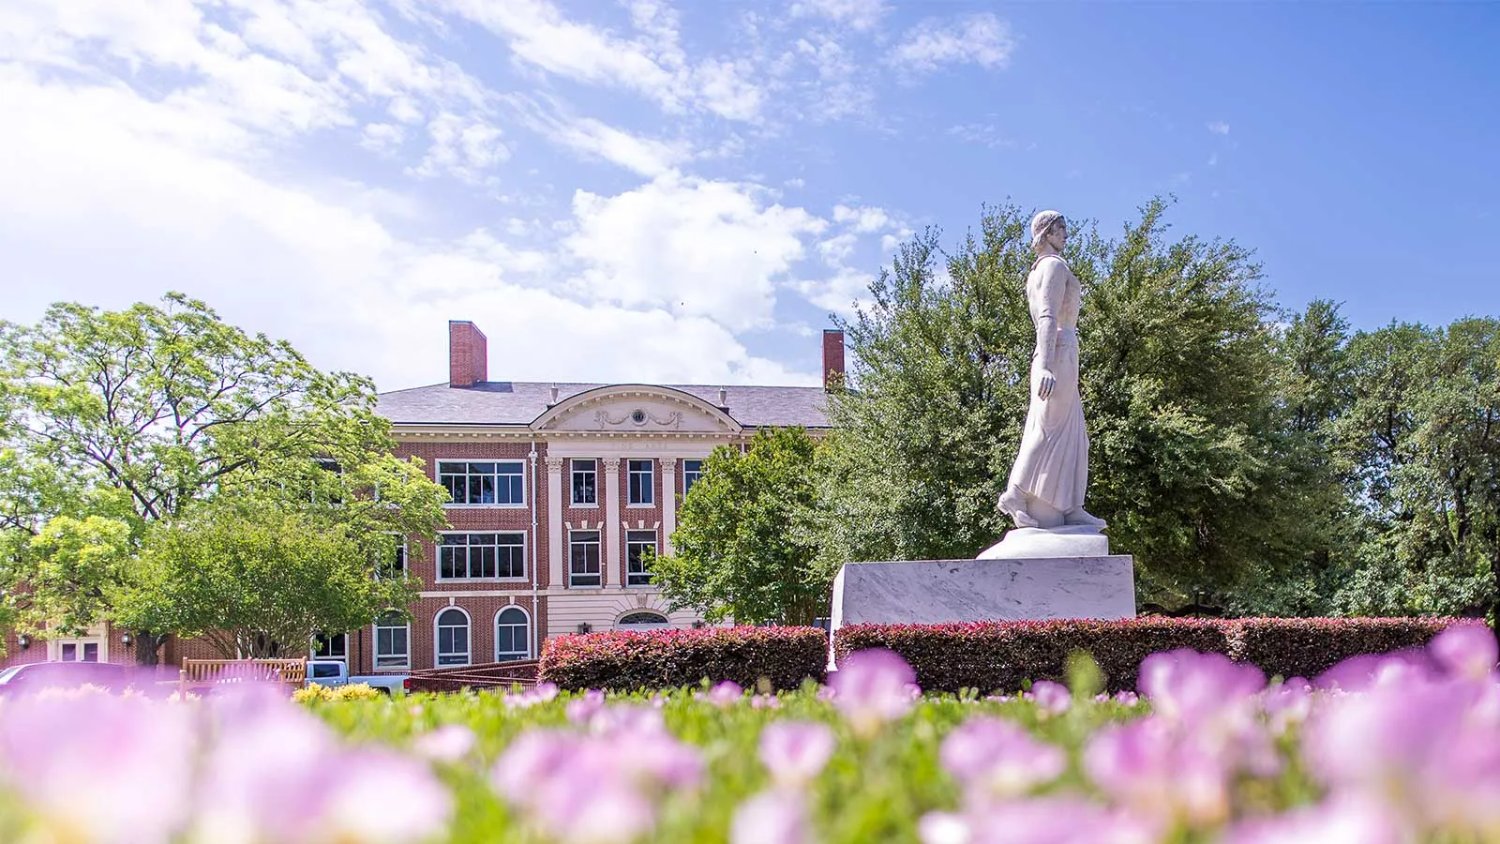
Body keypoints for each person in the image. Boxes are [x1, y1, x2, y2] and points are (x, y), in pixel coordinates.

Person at [997, 210, 1106, 530]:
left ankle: (1071, 505)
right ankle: (1015, 493)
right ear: (1045, 233)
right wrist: (1045, 365)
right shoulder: (1054, 267)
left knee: (1075, 435)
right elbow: (1047, 316)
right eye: (1059, 228)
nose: (1065, 234)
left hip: (1059, 351)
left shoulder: (1039, 270)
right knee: (1047, 429)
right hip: (1057, 350)